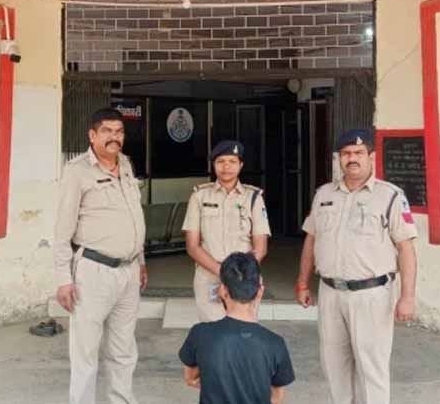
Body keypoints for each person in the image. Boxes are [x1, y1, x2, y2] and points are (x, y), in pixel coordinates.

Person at [295, 129, 418, 404]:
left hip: (371, 295)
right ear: (339, 159)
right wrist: (302, 282)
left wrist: (407, 296)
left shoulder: (390, 196)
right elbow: (311, 239)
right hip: (330, 292)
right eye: (346, 153)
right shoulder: (324, 194)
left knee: (371, 367)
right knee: (334, 364)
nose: (352, 158)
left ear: (371, 157)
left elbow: (406, 249)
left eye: (359, 153)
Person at [55, 108, 148, 404]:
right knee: (86, 351)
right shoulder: (77, 171)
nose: (114, 137)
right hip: (93, 272)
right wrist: (63, 279)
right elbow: (62, 230)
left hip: (129, 271)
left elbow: (134, 217)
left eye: (119, 132)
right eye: (107, 131)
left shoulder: (126, 164)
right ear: (92, 135)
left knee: (124, 350)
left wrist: (141, 262)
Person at [179, 252, 295, 404]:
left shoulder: (200, 334)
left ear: (223, 290)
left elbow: (190, 378)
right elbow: (276, 397)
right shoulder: (275, 343)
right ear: (260, 291)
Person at [182, 140, 271, 321]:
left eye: (232, 161)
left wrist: (238, 274)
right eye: (220, 161)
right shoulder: (199, 196)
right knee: (212, 330)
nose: (226, 167)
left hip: (244, 278)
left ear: (241, 165)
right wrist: (223, 272)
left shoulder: (253, 197)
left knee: (243, 330)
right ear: (213, 165)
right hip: (209, 277)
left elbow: (260, 247)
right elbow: (192, 246)